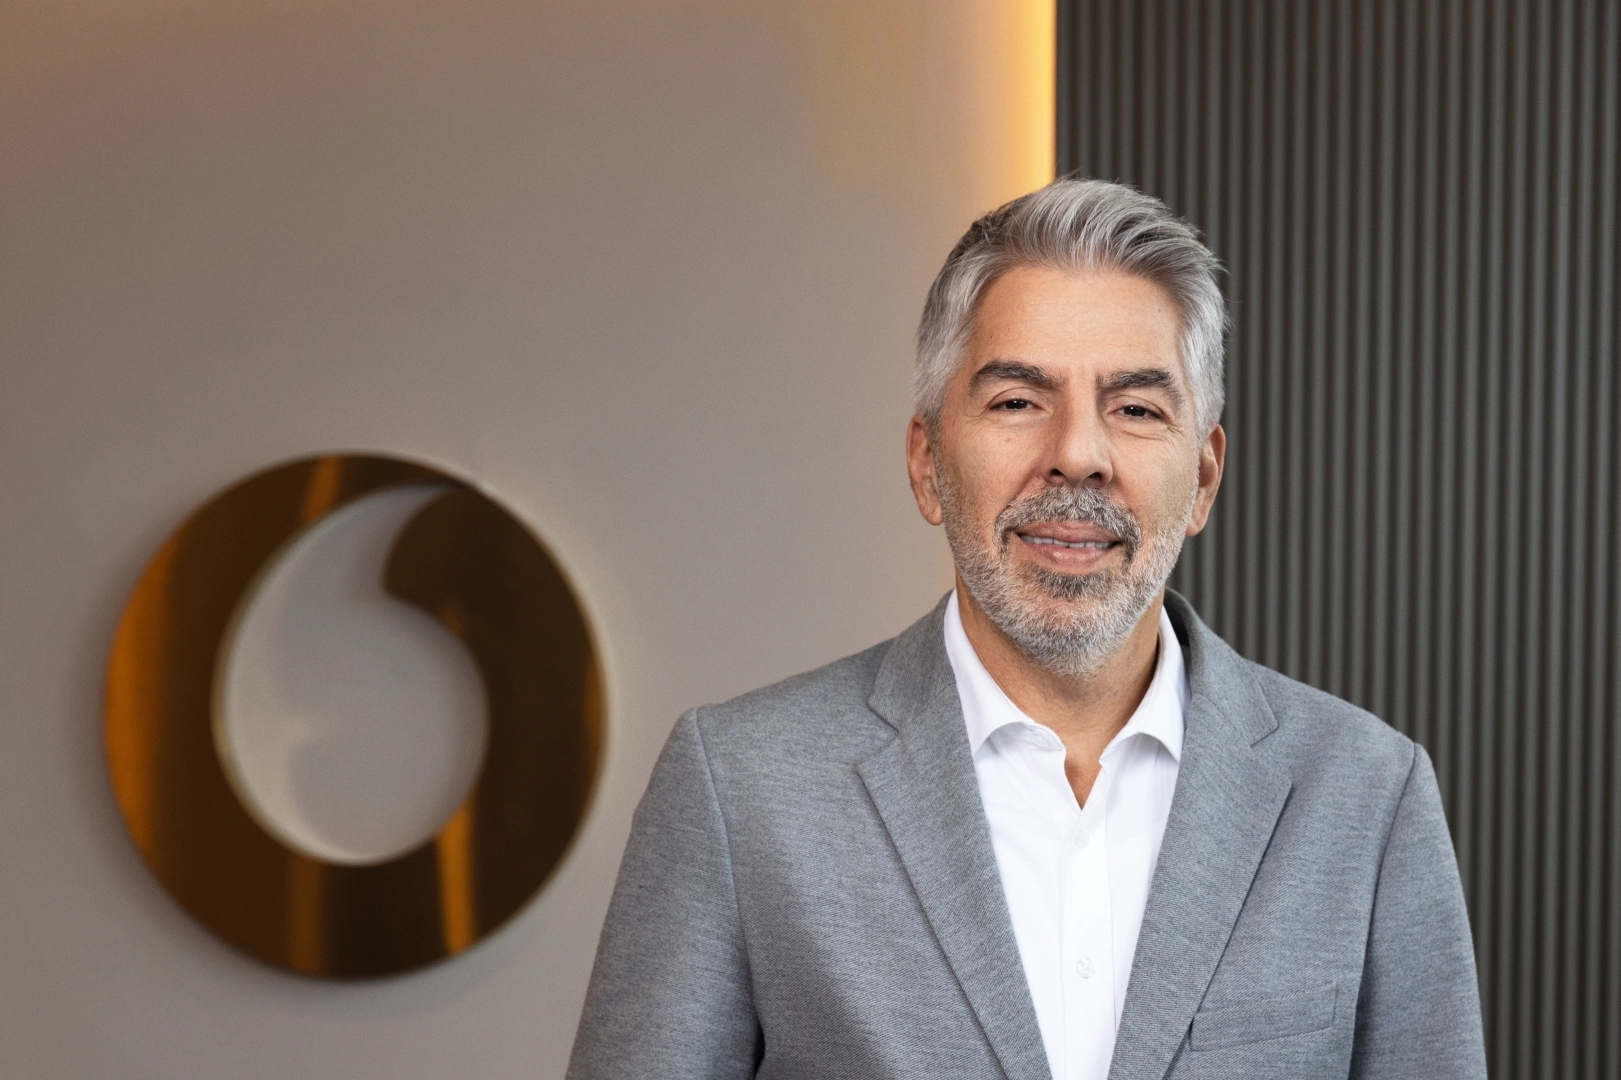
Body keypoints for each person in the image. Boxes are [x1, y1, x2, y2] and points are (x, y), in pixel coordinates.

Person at [567, 178, 1487, 1080]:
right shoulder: (739, 789)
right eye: (1017, 401)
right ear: (928, 464)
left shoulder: (1368, 794)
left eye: (1135, 408)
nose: (1077, 455)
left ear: (1203, 479)